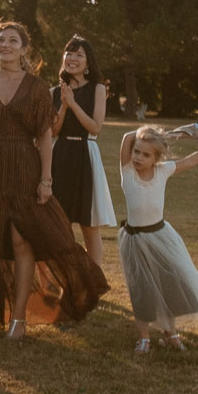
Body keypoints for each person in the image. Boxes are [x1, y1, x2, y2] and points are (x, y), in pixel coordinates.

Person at [0, 21, 109, 339]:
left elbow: (45, 137)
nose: (5, 45)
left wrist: (46, 179)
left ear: (24, 48)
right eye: (0, 40)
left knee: (21, 241)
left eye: (13, 40)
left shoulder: (37, 87)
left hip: (25, 169)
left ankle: (18, 319)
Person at [118, 125, 198, 353]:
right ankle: (144, 337)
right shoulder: (127, 170)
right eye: (137, 151)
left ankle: (170, 332)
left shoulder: (163, 171)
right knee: (141, 289)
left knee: (168, 284)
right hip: (135, 241)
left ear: (157, 158)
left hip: (160, 237)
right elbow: (128, 137)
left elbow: (191, 161)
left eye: (146, 155)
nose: (138, 157)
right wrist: (171, 134)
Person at [49, 35, 116, 266]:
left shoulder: (97, 88)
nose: (72, 58)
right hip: (61, 155)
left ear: (88, 63)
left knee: (89, 225)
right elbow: (54, 131)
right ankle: (66, 277)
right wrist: (64, 106)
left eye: (79, 54)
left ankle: (93, 281)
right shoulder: (55, 92)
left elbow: (95, 127)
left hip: (86, 155)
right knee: (60, 222)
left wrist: (73, 104)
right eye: (69, 53)